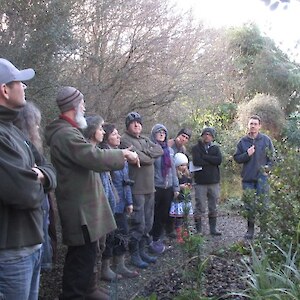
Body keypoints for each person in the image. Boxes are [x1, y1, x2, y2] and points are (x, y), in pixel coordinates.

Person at [45, 87, 139, 300]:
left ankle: (88, 289)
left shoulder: (68, 132)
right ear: (73, 106)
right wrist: (123, 153)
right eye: (82, 103)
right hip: (80, 210)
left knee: (86, 255)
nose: (85, 107)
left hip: (84, 207)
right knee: (80, 258)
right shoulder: (65, 134)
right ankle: (75, 295)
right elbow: (93, 157)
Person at [0, 58, 56, 300]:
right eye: (20, 83)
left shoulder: (13, 130)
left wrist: (42, 175)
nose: (24, 88)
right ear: (4, 89)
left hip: (30, 246)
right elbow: (24, 194)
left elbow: (49, 169)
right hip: (11, 252)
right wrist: (41, 180)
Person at [14, 101, 57, 271]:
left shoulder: (32, 148)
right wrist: (41, 175)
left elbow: (50, 172)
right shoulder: (13, 144)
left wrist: (43, 174)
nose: (38, 129)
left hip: (39, 219)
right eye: (35, 124)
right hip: (22, 236)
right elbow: (25, 183)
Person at [120, 112, 163, 269]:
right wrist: (148, 156)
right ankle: (134, 255)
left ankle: (143, 250)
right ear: (128, 126)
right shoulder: (124, 140)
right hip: (136, 187)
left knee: (148, 222)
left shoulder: (145, 139)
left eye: (139, 122)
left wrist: (146, 155)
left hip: (150, 187)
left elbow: (159, 150)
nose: (137, 125)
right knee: (138, 222)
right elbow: (142, 159)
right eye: (133, 123)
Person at [101, 123, 139, 279]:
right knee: (109, 237)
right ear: (105, 137)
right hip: (110, 204)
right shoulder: (102, 156)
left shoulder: (121, 154)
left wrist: (129, 202)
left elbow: (126, 181)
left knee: (123, 233)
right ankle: (105, 269)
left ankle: (120, 265)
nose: (118, 136)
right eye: (114, 134)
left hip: (122, 203)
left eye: (118, 133)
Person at [233, 115, 274, 239]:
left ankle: (263, 231)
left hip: (262, 177)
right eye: (251, 123)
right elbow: (237, 158)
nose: (253, 126)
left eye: (255, 124)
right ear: (248, 125)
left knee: (264, 205)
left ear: (259, 126)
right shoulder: (242, 141)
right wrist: (247, 154)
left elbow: (272, 158)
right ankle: (250, 230)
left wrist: (268, 168)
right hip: (248, 179)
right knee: (249, 205)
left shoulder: (266, 140)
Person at [149, 124, 179, 253]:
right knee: (153, 215)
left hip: (168, 187)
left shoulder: (170, 151)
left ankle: (158, 239)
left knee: (163, 215)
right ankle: (150, 240)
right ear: (153, 134)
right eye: (159, 132)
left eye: (164, 132)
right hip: (156, 187)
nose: (161, 134)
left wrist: (176, 187)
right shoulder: (150, 149)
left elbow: (173, 170)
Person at [191, 127, 222, 236]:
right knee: (200, 206)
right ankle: (199, 230)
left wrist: (205, 157)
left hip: (214, 181)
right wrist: (210, 160)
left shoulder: (216, 148)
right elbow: (197, 161)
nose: (206, 136)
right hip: (200, 182)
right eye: (205, 134)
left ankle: (213, 229)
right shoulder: (196, 148)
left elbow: (219, 160)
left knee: (213, 205)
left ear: (212, 137)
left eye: (209, 134)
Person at [167, 127, 192, 237]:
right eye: (182, 136)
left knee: (177, 207)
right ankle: (167, 229)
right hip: (167, 179)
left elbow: (185, 166)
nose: (183, 139)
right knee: (168, 206)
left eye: (186, 138)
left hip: (179, 178)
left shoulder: (183, 149)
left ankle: (178, 229)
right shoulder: (169, 145)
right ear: (178, 135)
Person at [169, 153, 194, 243]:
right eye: (181, 165)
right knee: (178, 219)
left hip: (186, 198)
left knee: (185, 218)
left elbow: (190, 183)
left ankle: (185, 233)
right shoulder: (175, 176)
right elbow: (173, 187)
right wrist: (180, 187)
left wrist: (188, 186)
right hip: (178, 200)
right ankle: (179, 235)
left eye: (185, 165)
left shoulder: (187, 175)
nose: (184, 167)